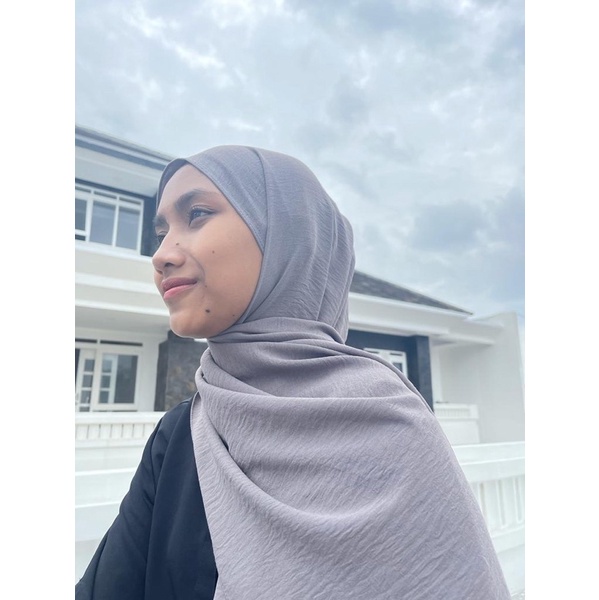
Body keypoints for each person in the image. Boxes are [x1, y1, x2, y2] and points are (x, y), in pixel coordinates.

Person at [76, 146, 511, 599]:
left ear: (288, 236)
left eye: (198, 214)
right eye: (161, 232)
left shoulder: (390, 423)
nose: (161, 254)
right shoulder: (179, 437)